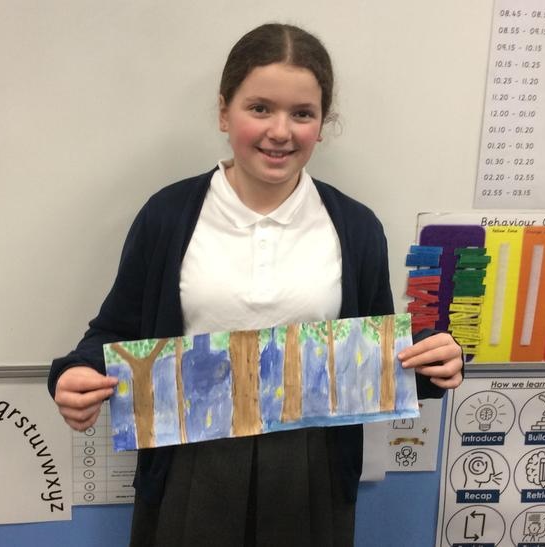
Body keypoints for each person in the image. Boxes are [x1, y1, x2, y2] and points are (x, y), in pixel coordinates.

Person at [48, 22, 463, 547]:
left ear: (322, 124)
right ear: (225, 112)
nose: (280, 131)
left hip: (311, 470)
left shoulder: (354, 227)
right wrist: (74, 373)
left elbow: (380, 355)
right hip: (189, 461)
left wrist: (434, 363)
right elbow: (114, 330)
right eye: (260, 108)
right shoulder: (169, 216)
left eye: (302, 114)